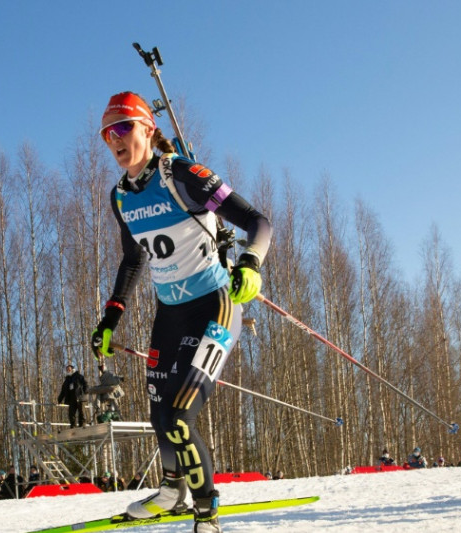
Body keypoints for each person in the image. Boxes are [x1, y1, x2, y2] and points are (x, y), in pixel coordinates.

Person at [90, 91, 272, 533]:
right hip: (169, 314)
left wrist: (250, 263)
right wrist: (111, 315)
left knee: (178, 416)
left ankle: (207, 513)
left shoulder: (183, 175)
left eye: (123, 127)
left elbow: (258, 222)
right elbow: (133, 259)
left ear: (148, 129)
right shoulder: (120, 197)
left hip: (214, 306)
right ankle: (173, 491)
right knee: (158, 414)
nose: (114, 139)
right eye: (106, 133)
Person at [58, 364, 88, 428]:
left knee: (81, 412)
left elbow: (85, 384)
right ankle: (73, 426)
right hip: (71, 399)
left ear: (72, 369)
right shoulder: (67, 380)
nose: (68, 371)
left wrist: (85, 392)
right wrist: (59, 399)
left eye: (69, 369)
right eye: (67, 370)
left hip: (80, 397)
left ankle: (82, 425)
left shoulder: (79, 376)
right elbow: (63, 391)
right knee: (71, 414)